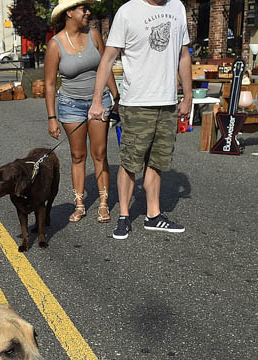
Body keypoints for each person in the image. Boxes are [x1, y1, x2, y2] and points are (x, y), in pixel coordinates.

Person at [89, 0, 191, 239]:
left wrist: (187, 96)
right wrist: (96, 100)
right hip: (136, 103)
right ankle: (124, 216)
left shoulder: (177, 7)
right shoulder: (127, 12)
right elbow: (108, 58)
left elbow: (183, 55)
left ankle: (153, 215)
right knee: (130, 162)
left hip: (167, 102)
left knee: (157, 161)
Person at [44, 0, 119, 223]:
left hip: (99, 102)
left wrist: (116, 96)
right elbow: (49, 84)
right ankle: (79, 204)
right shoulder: (55, 45)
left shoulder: (94, 35)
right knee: (78, 156)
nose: (88, 12)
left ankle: (104, 203)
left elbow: (106, 66)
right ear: (69, 13)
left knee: (100, 153)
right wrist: (52, 118)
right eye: (83, 8)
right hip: (70, 105)